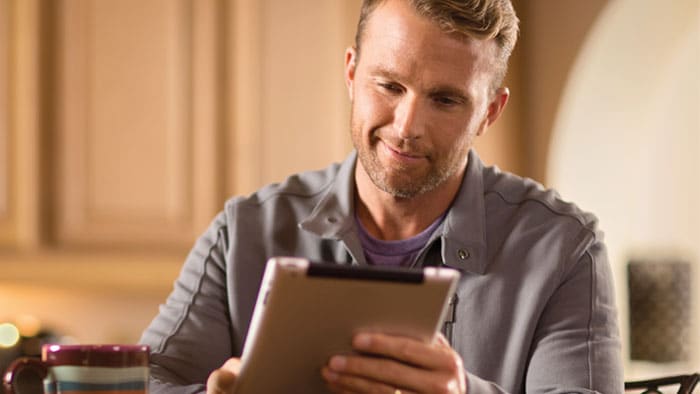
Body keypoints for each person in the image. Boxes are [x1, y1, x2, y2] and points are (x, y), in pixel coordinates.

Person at [140, 0, 623, 393]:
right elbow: (147, 383)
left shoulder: (565, 248)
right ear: (351, 74)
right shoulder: (240, 232)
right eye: (389, 85)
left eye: (446, 100)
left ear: (489, 113)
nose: (407, 127)